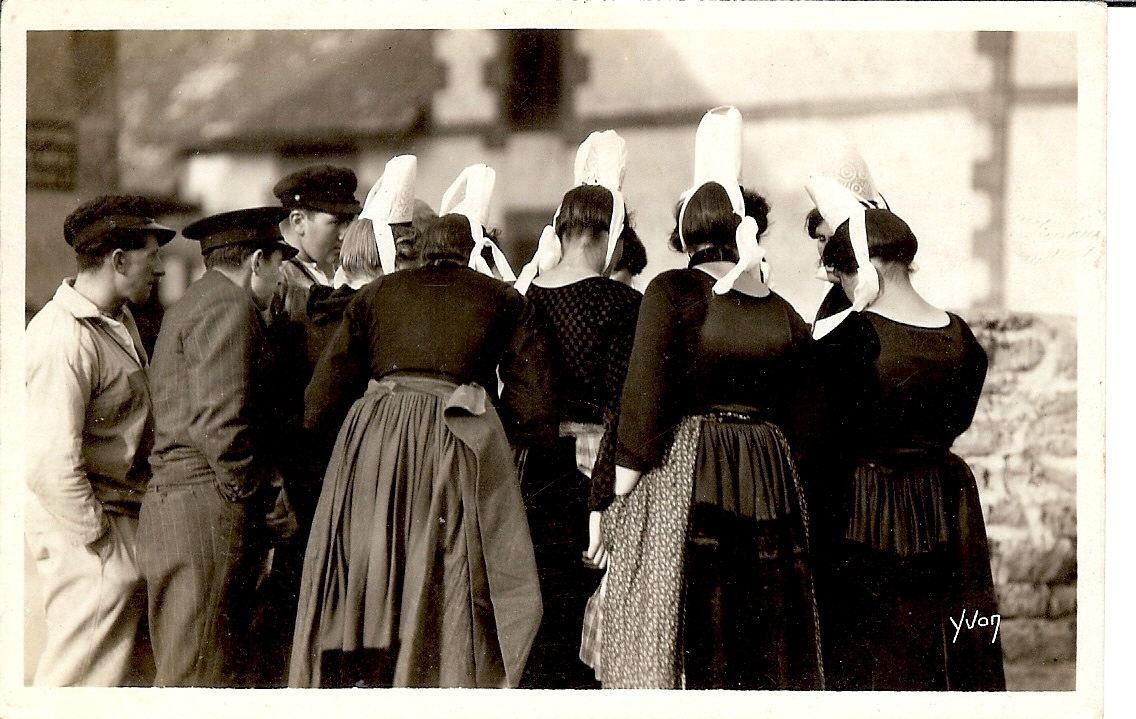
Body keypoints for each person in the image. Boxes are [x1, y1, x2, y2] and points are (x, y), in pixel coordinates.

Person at [598, 107, 823, 690]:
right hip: (768, 475)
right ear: (747, 228)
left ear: (685, 232)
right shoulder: (782, 309)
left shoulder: (671, 290)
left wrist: (621, 490)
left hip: (692, 469)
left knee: (692, 616)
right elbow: (807, 419)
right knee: (760, 624)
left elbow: (643, 396)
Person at [290, 200, 556, 686]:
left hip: (373, 442)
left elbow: (322, 398)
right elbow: (534, 405)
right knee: (444, 567)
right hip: (451, 437)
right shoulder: (503, 298)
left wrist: (340, 462)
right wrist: (506, 443)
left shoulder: (378, 293)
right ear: (472, 251)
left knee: (373, 566)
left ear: (420, 250)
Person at [805, 177, 1006, 690]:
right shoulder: (961, 336)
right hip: (947, 500)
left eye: (844, 277)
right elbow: (959, 418)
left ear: (865, 270)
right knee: (949, 635)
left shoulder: (852, 337)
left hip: (868, 507)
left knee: (877, 652)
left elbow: (821, 436)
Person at [136, 207, 299, 687]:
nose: (279, 278)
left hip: (181, 506)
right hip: (207, 511)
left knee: (188, 671)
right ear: (256, 261)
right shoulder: (229, 306)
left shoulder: (193, 302)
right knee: (200, 678)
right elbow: (222, 428)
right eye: (278, 264)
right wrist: (261, 500)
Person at [511, 131, 643, 688]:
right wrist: (601, 503)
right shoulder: (624, 302)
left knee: (537, 610)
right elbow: (620, 408)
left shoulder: (528, 296)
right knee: (582, 617)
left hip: (532, 469)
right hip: (594, 473)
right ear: (609, 237)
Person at [25, 196, 172, 686]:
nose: (161, 270)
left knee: (114, 679)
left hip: (119, 519)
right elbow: (48, 462)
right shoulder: (62, 336)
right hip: (91, 533)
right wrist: (99, 542)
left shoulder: (117, 321)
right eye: (153, 256)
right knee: (76, 681)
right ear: (119, 260)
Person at [272, 165, 361, 320]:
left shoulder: (333, 271)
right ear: (298, 221)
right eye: (336, 222)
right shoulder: (278, 281)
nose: (344, 234)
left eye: (348, 221)